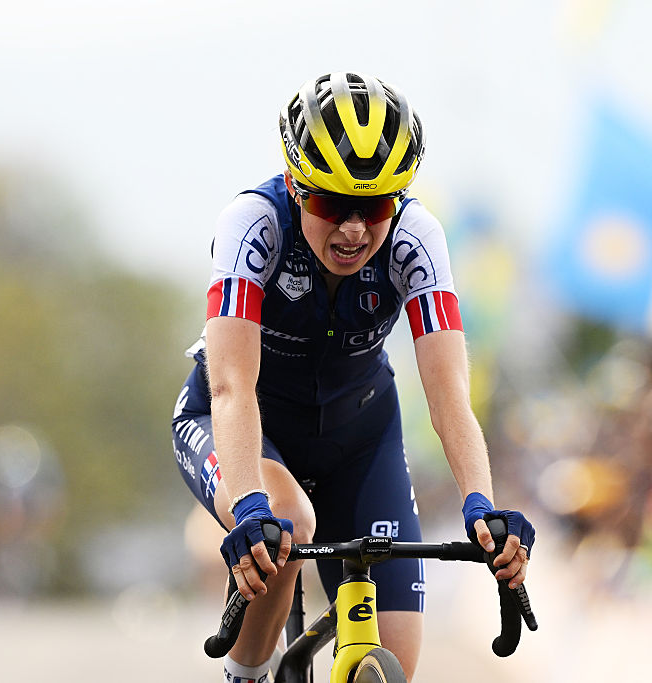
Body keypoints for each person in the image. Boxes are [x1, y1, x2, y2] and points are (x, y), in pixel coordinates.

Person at [172, 72, 535, 682]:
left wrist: (481, 504)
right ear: (294, 185)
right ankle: (246, 678)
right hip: (240, 427)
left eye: (374, 207)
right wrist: (250, 505)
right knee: (285, 523)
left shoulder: (417, 238)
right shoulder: (253, 225)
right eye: (330, 205)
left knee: (396, 658)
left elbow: (448, 397)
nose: (354, 230)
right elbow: (233, 387)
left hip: (358, 437)